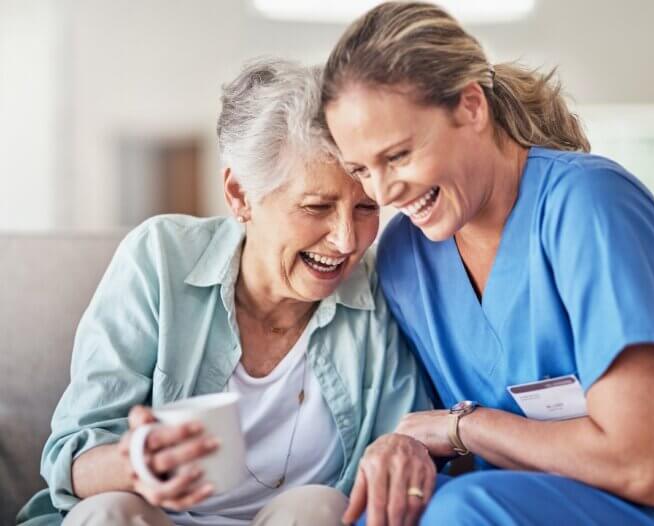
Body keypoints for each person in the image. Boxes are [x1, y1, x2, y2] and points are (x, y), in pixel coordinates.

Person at [321, 2, 654, 525]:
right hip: (529, 497)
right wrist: (404, 449)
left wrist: (465, 428)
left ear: (471, 107)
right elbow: (436, 439)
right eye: (362, 169)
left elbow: (645, 467)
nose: (384, 192)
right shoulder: (405, 259)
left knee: (460, 512)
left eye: (400, 155)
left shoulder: (589, 206)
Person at [16, 58, 431, 526]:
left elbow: (406, 438)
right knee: (111, 511)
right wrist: (136, 463)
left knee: (317, 508)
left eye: (365, 207)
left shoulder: (379, 287)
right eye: (316, 206)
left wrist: (412, 448)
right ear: (239, 195)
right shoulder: (159, 258)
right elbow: (72, 456)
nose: (347, 240)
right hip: (155, 517)